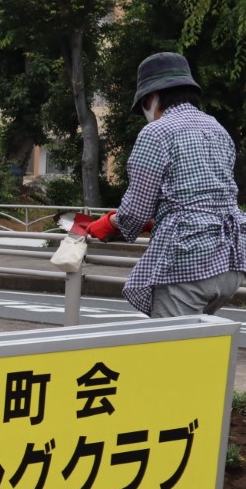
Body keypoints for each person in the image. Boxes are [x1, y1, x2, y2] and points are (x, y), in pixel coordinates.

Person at [87, 52, 246, 317]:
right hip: (230, 260)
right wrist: (158, 218)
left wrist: (110, 224)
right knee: (199, 348)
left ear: (150, 98)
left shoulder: (156, 133)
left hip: (187, 261)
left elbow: (136, 211)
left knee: (170, 350)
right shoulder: (217, 128)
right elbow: (202, 196)